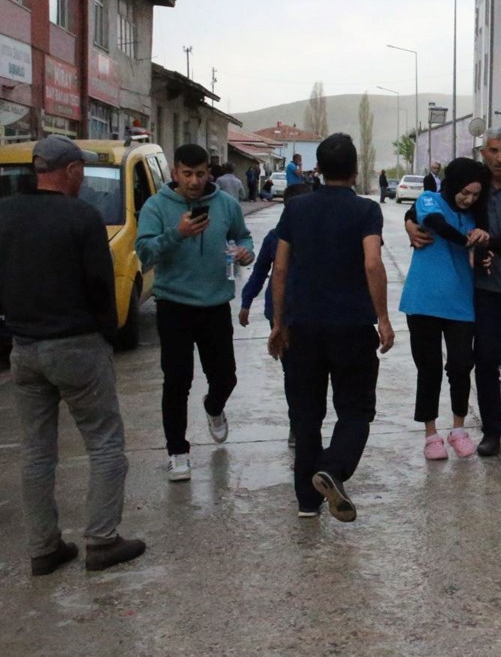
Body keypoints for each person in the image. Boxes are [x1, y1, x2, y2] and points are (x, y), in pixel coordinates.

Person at [0, 136, 145, 575]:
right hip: (77, 345)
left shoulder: (4, 214)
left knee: (37, 452)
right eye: (80, 170)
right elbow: (101, 287)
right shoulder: (82, 217)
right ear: (70, 172)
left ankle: (44, 548)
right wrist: (106, 335)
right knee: (104, 442)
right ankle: (101, 541)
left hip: (24, 349)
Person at [268, 133, 394, 521]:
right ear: (357, 169)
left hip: (302, 326)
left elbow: (281, 268)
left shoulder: (297, 209)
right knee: (355, 411)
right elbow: (372, 263)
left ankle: (307, 502)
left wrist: (278, 322)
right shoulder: (366, 211)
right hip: (352, 327)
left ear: (318, 169)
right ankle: (334, 468)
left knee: (305, 414)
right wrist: (384, 317)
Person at [406, 128, 501, 456]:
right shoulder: (478, 184)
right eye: (493, 151)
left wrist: (489, 242)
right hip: (485, 290)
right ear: (483, 153)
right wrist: (409, 223)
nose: (499, 158)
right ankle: (490, 430)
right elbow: (441, 204)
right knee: (485, 361)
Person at [136, 143, 255, 482]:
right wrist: (177, 233)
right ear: (174, 173)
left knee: (226, 376)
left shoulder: (226, 205)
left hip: (216, 304)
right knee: (176, 380)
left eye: (200, 174)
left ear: (209, 172)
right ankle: (178, 452)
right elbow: (145, 252)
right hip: (173, 305)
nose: (193, 181)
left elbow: (243, 237)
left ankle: (214, 407)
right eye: (187, 174)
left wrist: (245, 252)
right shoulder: (157, 206)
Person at [399, 158, 492, 461]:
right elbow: (435, 223)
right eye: (465, 192)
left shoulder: (476, 217)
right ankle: (431, 435)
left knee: (461, 366)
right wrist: (466, 241)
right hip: (423, 302)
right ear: (453, 185)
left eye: (475, 195)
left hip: (461, 305)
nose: (468, 199)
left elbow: (483, 251)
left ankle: (459, 429)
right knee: (429, 369)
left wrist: (483, 254)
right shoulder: (430, 200)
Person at [239, 183, 312, 448]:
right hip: (280, 314)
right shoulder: (274, 237)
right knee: (291, 371)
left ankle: (306, 421)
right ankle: (297, 423)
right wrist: (246, 301)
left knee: (311, 372)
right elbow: (260, 272)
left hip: (313, 314)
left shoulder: (320, 236)